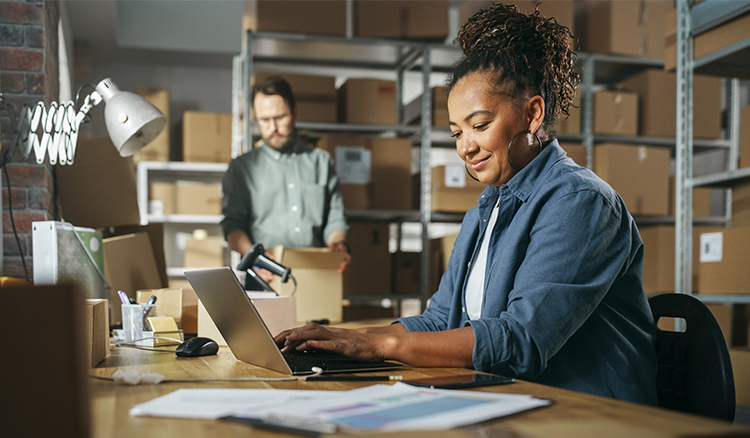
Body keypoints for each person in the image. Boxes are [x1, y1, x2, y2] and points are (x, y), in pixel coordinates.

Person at [275, 4, 658, 405]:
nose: (465, 147)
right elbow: (441, 320)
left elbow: (520, 340)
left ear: (533, 113)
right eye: (457, 133)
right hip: (513, 399)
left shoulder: (581, 202)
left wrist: (381, 346)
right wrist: (347, 338)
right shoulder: (484, 211)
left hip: (591, 413)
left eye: (479, 125)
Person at [222, 76, 350, 287]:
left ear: (294, 113)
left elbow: (335, 219)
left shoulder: (321, 161)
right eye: (264, 120)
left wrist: (338, 243)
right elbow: (232, 226)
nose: (273, 127)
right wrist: (254, 257)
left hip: (317, 276)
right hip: (265, 277)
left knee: (321, 321)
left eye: (279, 117)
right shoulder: (241, 168)